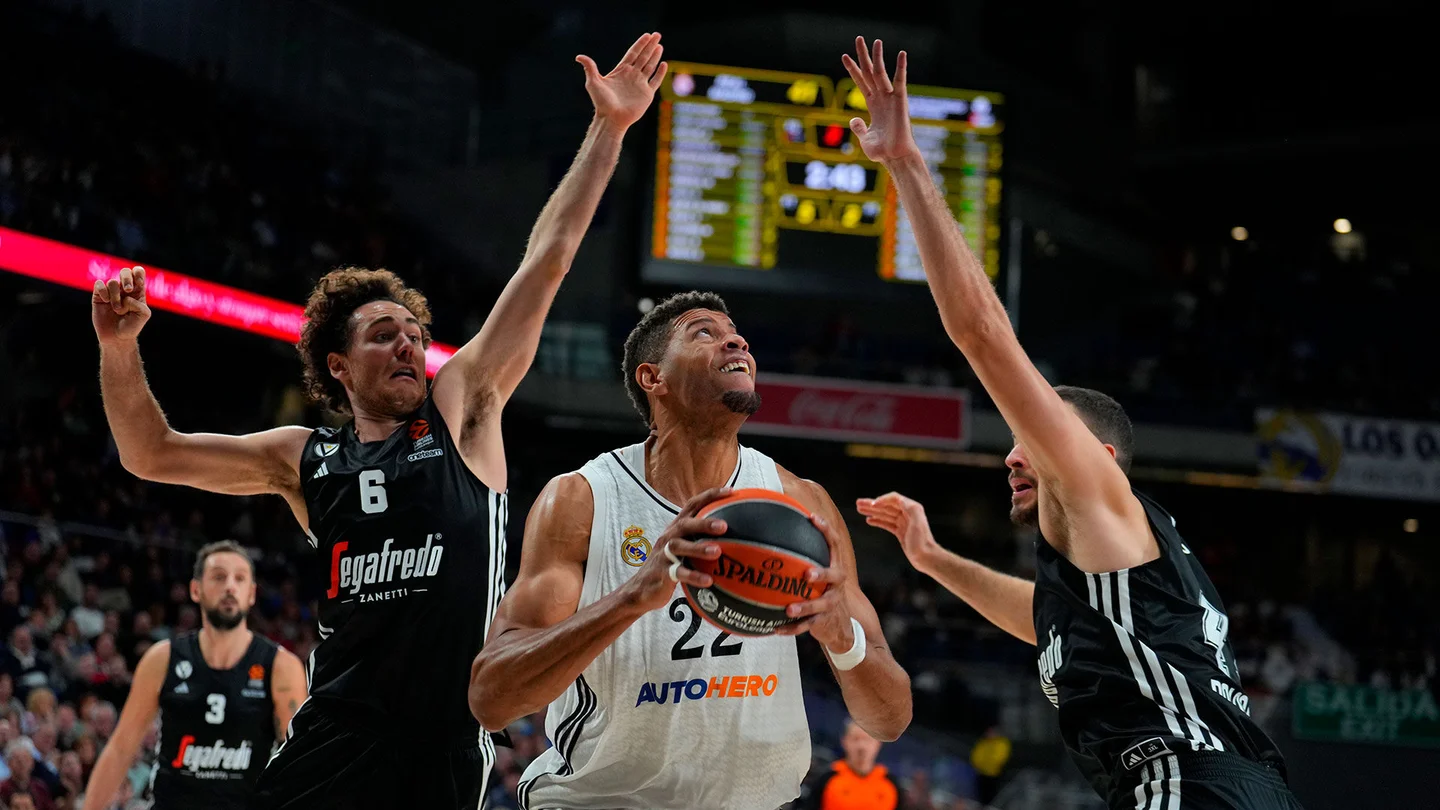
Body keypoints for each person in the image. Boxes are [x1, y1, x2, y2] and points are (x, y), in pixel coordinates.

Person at [90, 30, 670, 810]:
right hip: (330, 743)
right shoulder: (305, 457)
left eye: (414, 332)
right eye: (383, 333)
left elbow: (550, 257)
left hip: (441, 747)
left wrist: (609, 131)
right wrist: (119, 347)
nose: (409, 342)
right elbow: (149, 453)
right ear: (338, 364)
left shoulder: (465, 409)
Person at [843, 38, 1302, 810]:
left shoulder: (1095, 489)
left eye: (1030, 437)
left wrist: (905, 164)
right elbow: (1041, 620)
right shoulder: (1107, 579)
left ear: (1098, 452)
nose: (1012, 456)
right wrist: (930, 558)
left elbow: (981, 333)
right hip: (1227, 788)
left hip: (1186, 784)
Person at [470, 291, 912, 809]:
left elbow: (891, 718)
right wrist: (635, 595)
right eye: (704, 332)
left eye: (736, 332)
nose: (737, 340)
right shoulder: (582, 500)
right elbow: (492, 699)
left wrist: (843, 637)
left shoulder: (800, 503)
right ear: (653, 378)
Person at [79, 541, 304, 810]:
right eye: (219, 577)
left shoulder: (280, 666)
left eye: (240, 579)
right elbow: (121, 748)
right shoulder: (163, 659)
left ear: (252, 594)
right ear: (195, 589)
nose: (230, 586)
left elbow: (299, 763)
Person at [797, 719, 904, 810]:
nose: (861, 746)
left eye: (867, 739)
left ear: (878, 743)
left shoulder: (891, 785)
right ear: (844, 741)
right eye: (855, 739)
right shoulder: (827, 779)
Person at [1, 738, 54, 810]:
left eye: (25, 759)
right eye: (17, 760)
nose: (22, 764)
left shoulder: (40, 788)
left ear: (32, 762)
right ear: (9, 763)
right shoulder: (2, 789)